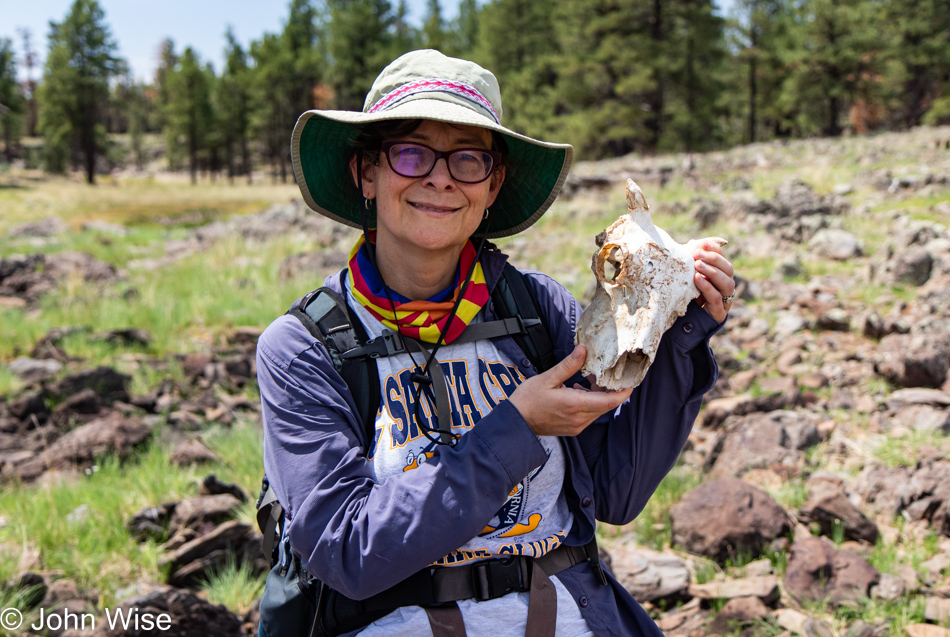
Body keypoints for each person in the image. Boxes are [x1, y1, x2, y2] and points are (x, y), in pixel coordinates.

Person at [257, 49, 735, 637]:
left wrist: (676, 339)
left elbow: (617, 490)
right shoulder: (307, 348)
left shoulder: (536, 311)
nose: (439, 177)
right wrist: (517, 427)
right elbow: (347, 551)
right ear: (367, 173)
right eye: (411, 153)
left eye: (468, 159)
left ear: (493, 184)